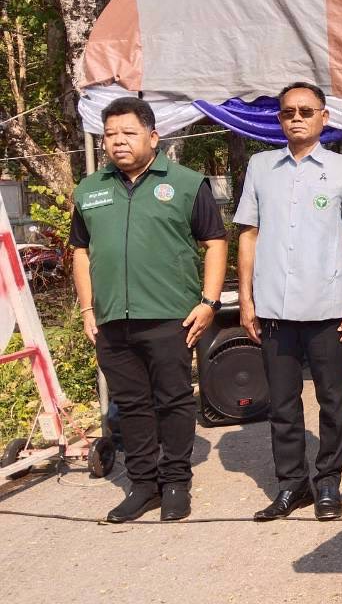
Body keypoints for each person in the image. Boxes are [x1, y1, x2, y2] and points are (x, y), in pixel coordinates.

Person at [70, 96, 227, 523]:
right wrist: (87, 308)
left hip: (170, 315)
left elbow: (215, 242)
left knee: (174, 400)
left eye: (128, 132)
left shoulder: (186, 184)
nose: (117, 141)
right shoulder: (90, 189)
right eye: (110, 134)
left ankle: (175, 482)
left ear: (153, 137)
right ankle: (143, 485)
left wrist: (209, 303)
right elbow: (80, 251)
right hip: (111, 319)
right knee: (131, 404)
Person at [235, 82, 342, 523]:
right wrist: (246, 300)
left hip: (329, 308)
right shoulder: (260, 167)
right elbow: (248, 234)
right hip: (274, 308)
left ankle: (328, 480)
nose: (296, 118)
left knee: (332, 400)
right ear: (279, 118)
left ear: (323, 117)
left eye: (306, 111)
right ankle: (292, 484)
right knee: (282, 403)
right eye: (288, 112)